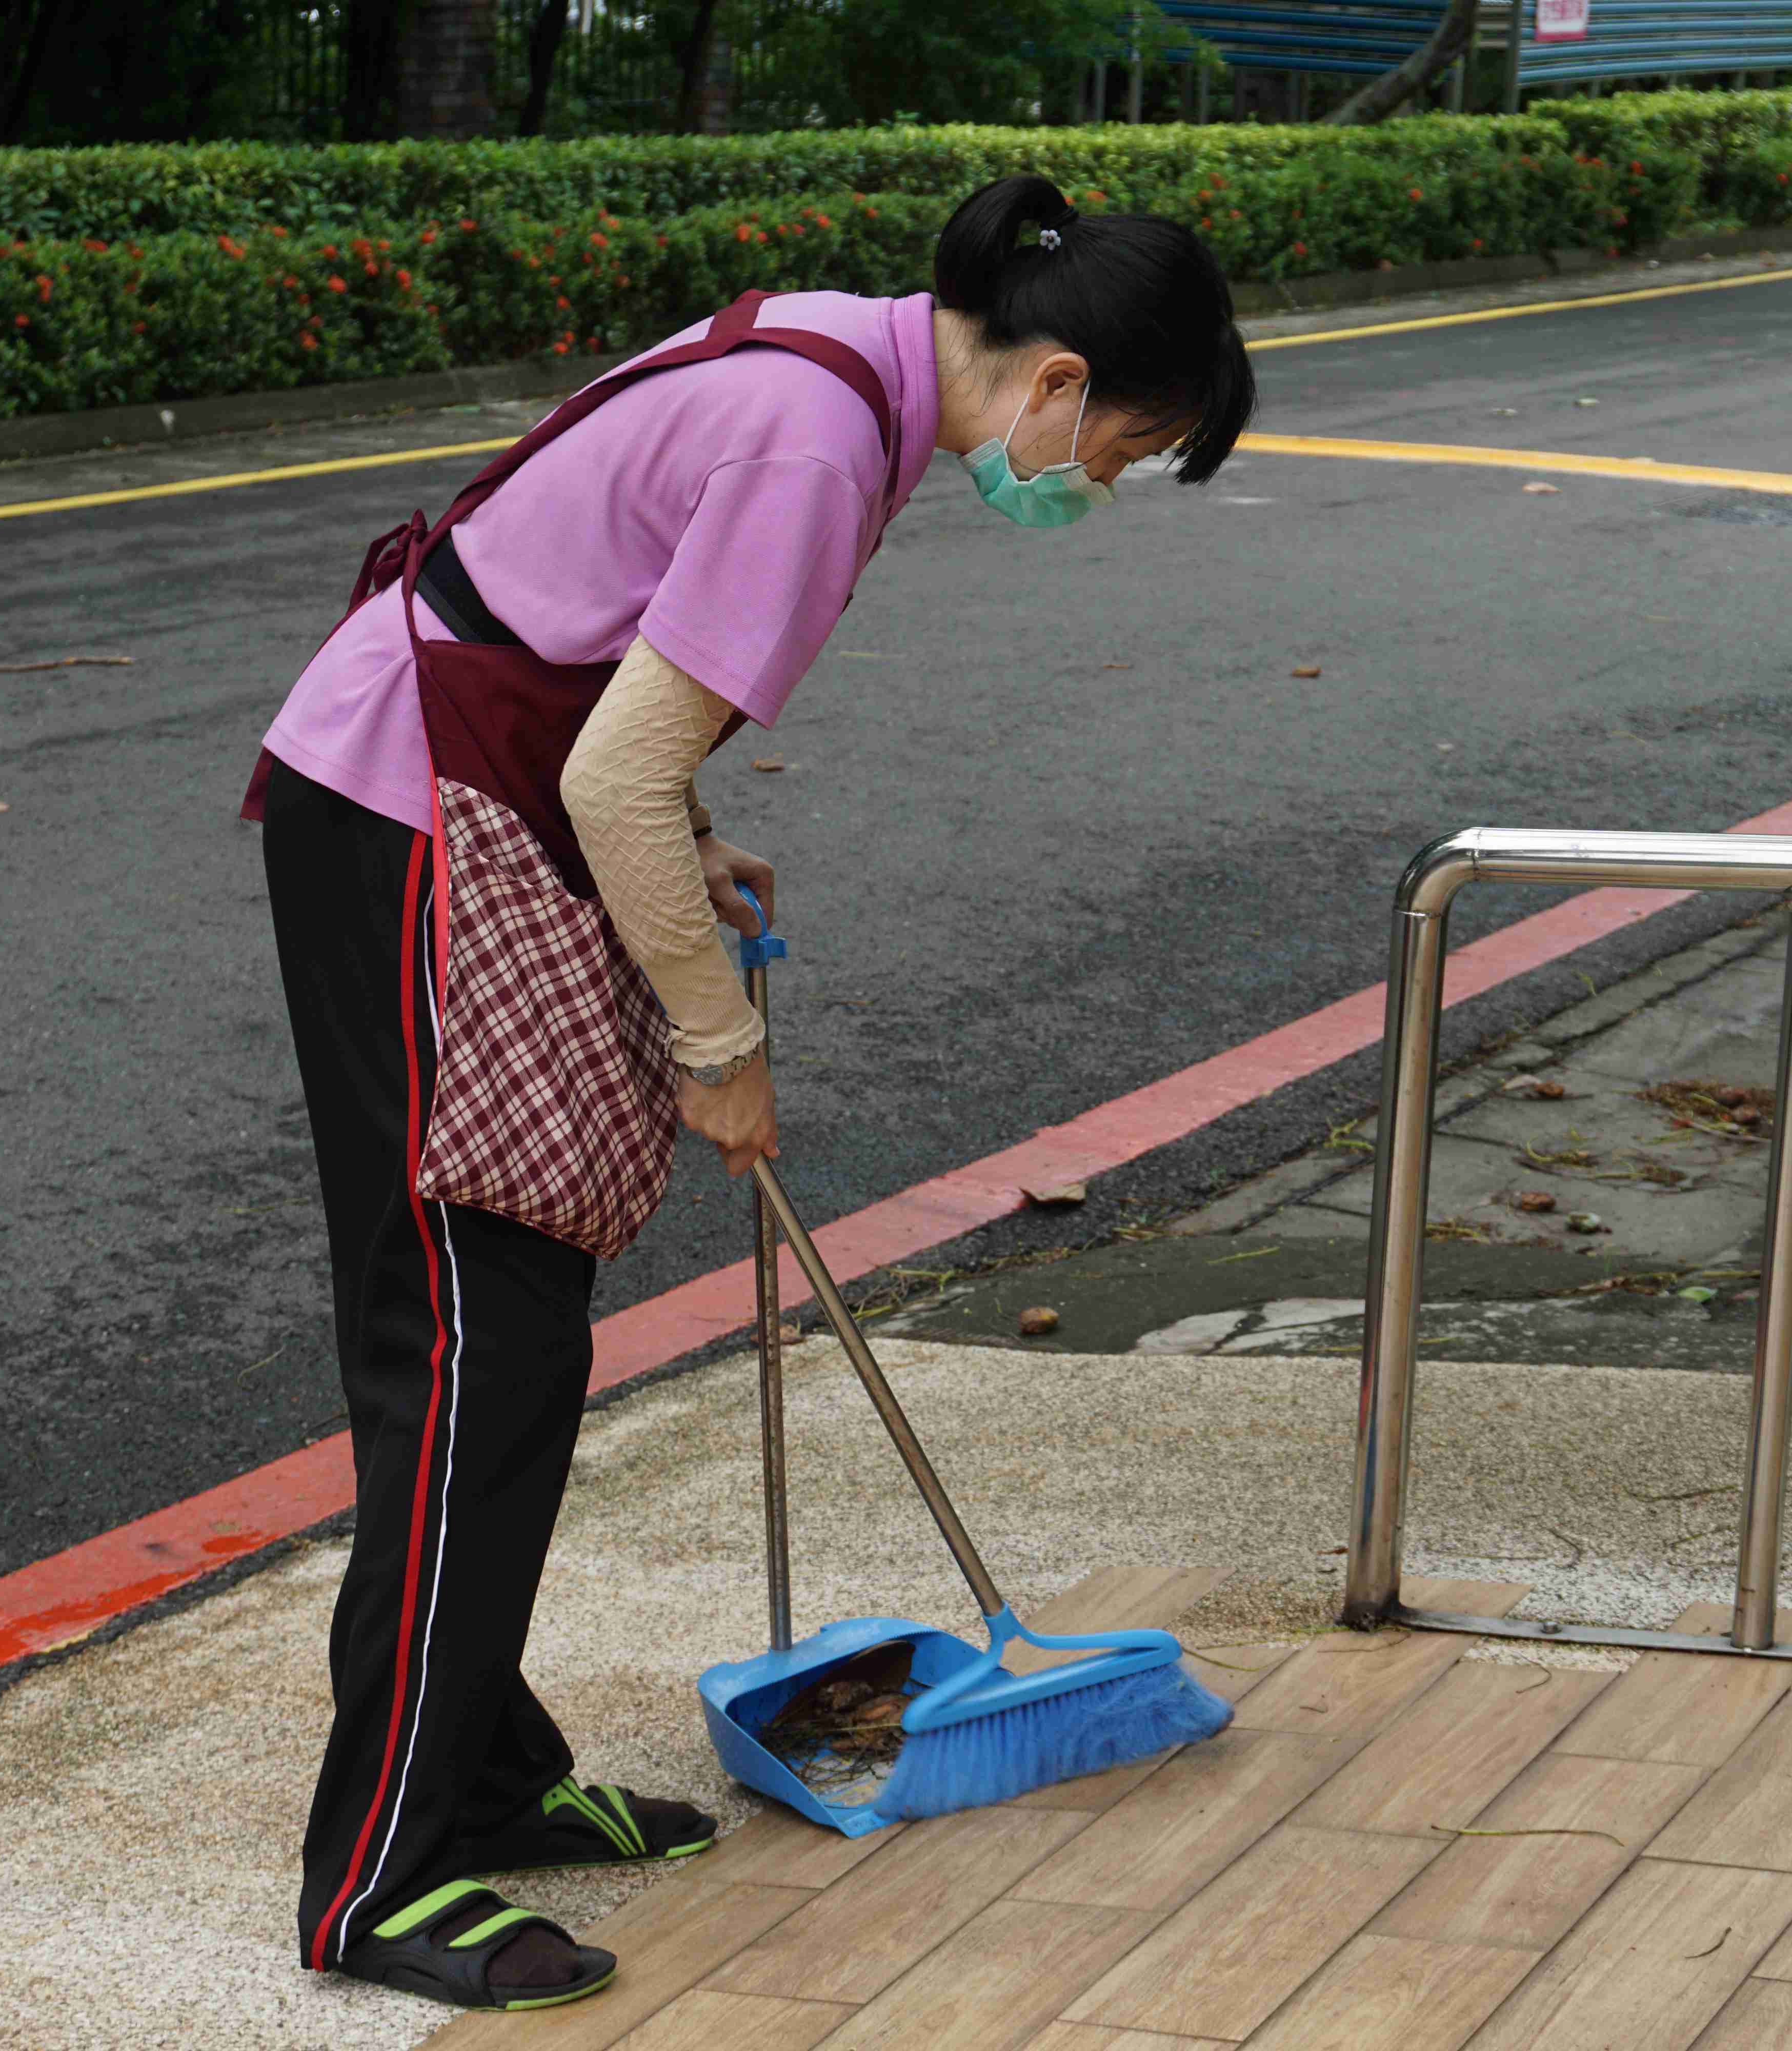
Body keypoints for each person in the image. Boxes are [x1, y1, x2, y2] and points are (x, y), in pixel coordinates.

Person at [241, 171, 1254, 2011]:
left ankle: (481, 1771)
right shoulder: (816, 449)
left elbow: (591, 649)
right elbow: (617, 769)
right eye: (1126, 443)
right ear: (1057, 380)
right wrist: (722, 1048)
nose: (1093, 483)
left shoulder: (837, 368)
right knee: (473, 1342)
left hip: (440, 790)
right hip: (404, 810)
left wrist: (688, 844)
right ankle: (379, 1879)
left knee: (502, 1331)